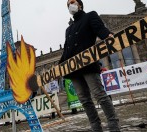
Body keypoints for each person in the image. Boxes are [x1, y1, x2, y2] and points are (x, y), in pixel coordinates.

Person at [59, 0, 120, 131]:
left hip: (87, 63)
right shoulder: (68, 29)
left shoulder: (90, 16)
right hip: (73, 69)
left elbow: (99, 29)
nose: (70, 5)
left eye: (73, 2)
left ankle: (113, 123)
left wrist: (107, 35)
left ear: (80, 4)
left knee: (99, 95)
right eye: (68, 4)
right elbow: (66, 49)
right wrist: (60, 66)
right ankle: (95, 126)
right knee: (84, 99)